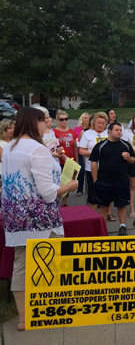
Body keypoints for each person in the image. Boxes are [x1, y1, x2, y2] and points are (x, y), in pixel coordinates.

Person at [1, 107, 78, 331]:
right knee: (50, 263)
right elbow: (48, 192)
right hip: (39, 218)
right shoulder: (36, 149)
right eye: (44, 121)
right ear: (33, 122)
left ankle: (24, 317)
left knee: (21, 265)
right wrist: (70, 185)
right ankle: (46, 310)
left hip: (15, 215)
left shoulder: (10, 147)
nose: (48, 124)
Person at [90, 122, 135, 236]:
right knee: (104, 206)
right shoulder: (100, 146)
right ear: (109, 131)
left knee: (122, 204)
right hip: (104, 181)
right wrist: (95, 180)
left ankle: (122, 227)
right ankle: (102, 229)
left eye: (121, 130)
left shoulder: (125, 145)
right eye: (117, 130)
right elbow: (94, 163)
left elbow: (133, 160)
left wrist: (128, 158)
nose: (119, 132)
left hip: (121, 181)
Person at [79, 112, 109, 214]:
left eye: (103, 123)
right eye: (98, 123)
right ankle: (93, 214)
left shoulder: (108, 133)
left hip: (106, 168)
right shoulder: (87, 134)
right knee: (93, 193)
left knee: (106, 193)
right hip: (91, 168)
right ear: (94, 122)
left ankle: (106, 214)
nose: (101, 125)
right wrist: (94, 154)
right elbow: (81, 150)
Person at [53, 110, 79, 206]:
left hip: (70, 160)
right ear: (57, 120)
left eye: (66, 119)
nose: (64, 121)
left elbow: (75, 147)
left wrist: (76, 160)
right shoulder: (54, 132)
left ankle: (64, 203)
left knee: (67, 181)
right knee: (58, 182)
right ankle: (56, 202)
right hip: (59, 161)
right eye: (61, 119)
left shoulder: (71, 131)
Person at [74, 112, 90, 196]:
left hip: (88, 151)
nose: (86, 120)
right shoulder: (77, 129)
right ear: (82, 119)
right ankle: (79, 189)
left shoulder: (90, 129)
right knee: (81, 170)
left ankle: (88, 188)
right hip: (80, 151)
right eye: (85, 118)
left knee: (88, 170)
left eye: (88, 118)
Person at [0, 119, 15, 186]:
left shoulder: (15, 141)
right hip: (3, 173)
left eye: (13, 128)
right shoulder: (1, 143)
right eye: (9, 128)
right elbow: (3, 158)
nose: (12, 130)